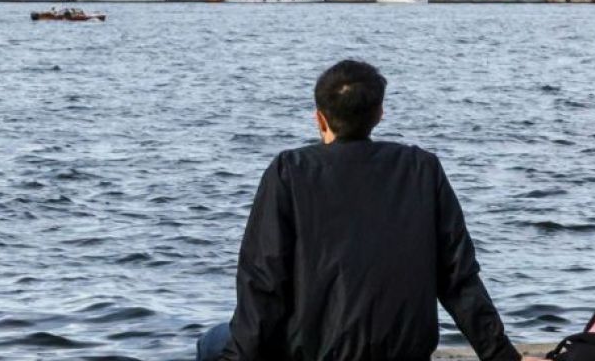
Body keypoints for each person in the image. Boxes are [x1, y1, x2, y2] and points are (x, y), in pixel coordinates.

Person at [197, 59, 527, 361]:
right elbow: (458, 278)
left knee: (213, 342)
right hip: (403, 352)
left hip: (315, 352)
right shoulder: (421, 168)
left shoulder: (289, 171)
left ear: (319, 117)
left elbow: (263, 282)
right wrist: (500, 354)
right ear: (380, 113)